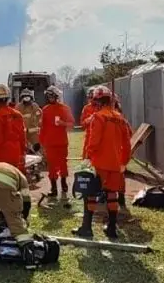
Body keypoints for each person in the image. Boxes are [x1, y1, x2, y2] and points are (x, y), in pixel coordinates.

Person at [73, 86, 132, 239]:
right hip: (116, 164)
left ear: (97, 101)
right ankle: (112, 228)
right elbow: (127, 144)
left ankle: (86, 228)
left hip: (99, 163)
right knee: (112, 195)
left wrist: (87, 158)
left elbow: (94, 142)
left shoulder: (98, 117)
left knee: (90, 194)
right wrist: (124, 162)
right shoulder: (121, 118)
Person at [39, 85, 75, 203]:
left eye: (52, 96)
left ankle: (64, 184)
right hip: (49, 143)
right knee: (51, 166)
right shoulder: (45, 110)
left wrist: (62, 123)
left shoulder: (65, 108)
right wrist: (41, 142)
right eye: (48, 96)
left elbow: (71, 124)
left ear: (56, 96)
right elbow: (43, 128)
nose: (50, 98)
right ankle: (53, 188)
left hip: (61, 142)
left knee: (63, 164)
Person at [0, 84, 27, 172]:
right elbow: (22, 137)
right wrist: (22, 153)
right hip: (16, 153)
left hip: (2, 155)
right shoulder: (17, 114)